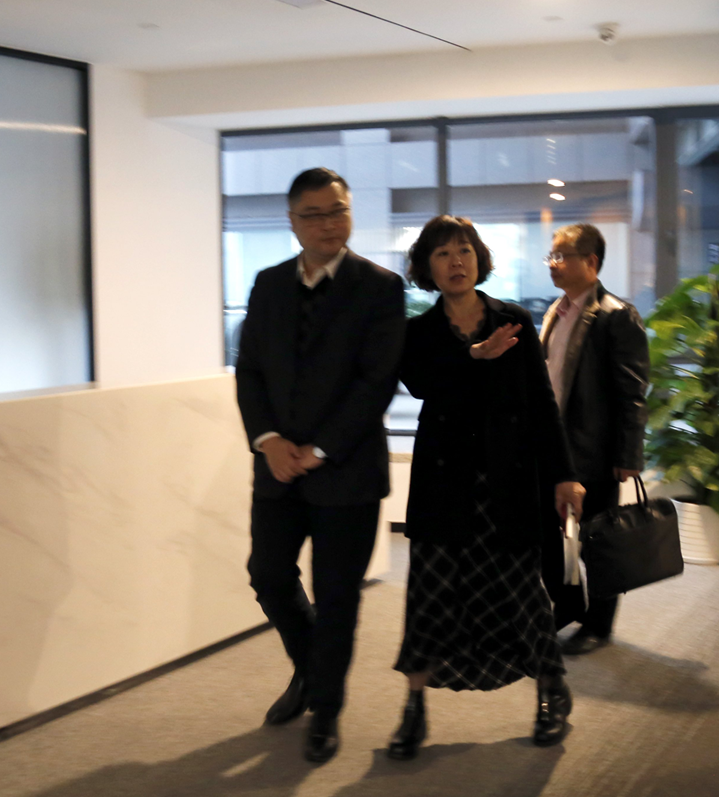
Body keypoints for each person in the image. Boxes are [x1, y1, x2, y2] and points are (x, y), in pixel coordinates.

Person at [387, 215, 586, 761]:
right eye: (443, 253)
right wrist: (473, 355)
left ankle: (551, 689)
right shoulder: (419, 332)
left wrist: (565, 473)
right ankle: (413, 707)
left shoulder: (513, 319)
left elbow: (542, 403)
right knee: (429, 594)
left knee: (523, 591)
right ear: (427, 267)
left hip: (507, 480)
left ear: (479, 259)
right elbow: (422, 383)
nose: (456, 261)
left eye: (465, 251)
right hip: (442, 482)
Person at [235, 167, 406, 763]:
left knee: (337, 597)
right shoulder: (268, 284)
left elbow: (376, 380)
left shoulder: (379, 287)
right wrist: (268, 440)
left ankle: (326, 710)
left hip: (347, 471)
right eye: (314, 215)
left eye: (338, 212)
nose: (328, 225)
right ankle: (312, 671)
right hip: (278, 469)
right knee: (268, 575)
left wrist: (321, 448)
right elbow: (250, 370)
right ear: (292, 222)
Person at [540, 223, 649, 655]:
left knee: (598, 541)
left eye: (561, 256)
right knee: (550, 536)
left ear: (591, 262)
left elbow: (632, 392)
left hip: (594, 449)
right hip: (555, 445)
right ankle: (570, 605)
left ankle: (599, 626)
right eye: (551, 256)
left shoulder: (616, 315)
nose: (553, 263)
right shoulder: (556, 310)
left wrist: (628, 454)